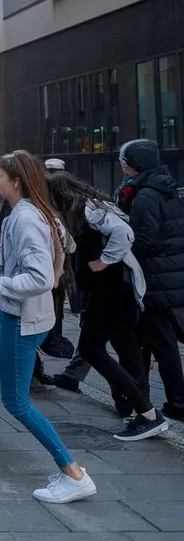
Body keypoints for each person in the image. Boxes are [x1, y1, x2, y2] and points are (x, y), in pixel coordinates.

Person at [0, 151, 95, 504]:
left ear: (16, 181)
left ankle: (74, 474)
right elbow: (66, 246)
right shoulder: (35, 212)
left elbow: (39, 277)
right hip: (14, 309)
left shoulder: (25, 218)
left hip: (23, 316)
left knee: (16, 402)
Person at [46, 170, 166, 440]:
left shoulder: (90, 210)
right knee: (127, 348)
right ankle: (137, 410)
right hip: (112, 292)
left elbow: (124, 233)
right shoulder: (86, 209)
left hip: (111, 292)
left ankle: (147, 413)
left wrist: (103, 261)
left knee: (92, 348)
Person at [117, 139, 184, 420]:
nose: (121, 164)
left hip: (153, 277)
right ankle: (141, 399)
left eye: (124, 159)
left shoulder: (145, 196)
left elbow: (144, 240)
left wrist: (121, 246)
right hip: (167, 274)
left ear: (134, 163)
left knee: (160, 341)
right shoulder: (164, 188)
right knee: (151, 339)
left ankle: (176, 403)